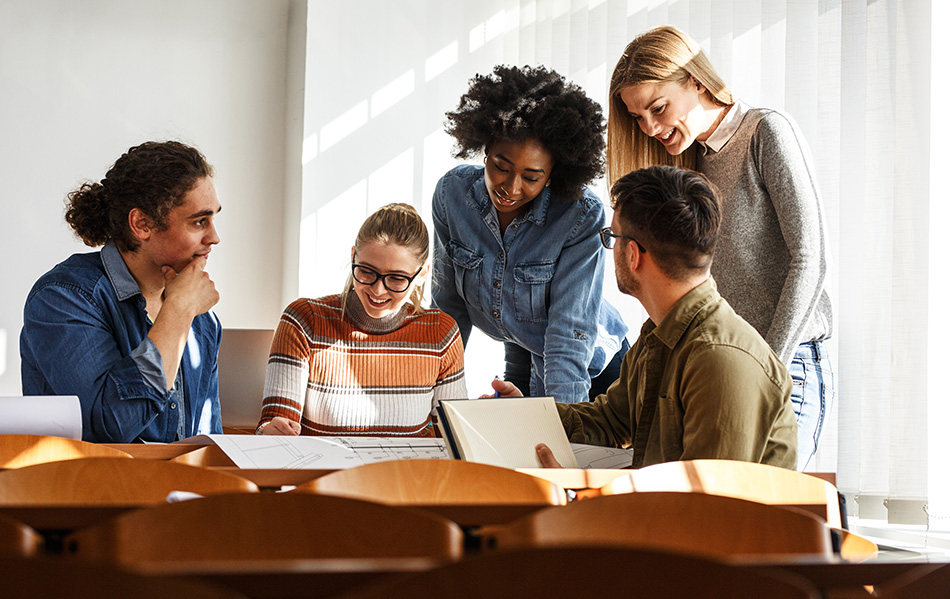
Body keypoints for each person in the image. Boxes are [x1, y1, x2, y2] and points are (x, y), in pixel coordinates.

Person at [605, 25, 833, 470]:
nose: (649, 127)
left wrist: (767, 366)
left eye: (657, 107)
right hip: (717, 367)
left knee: (747, 512)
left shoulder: (766, 132)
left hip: (786, 361)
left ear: (695, 80)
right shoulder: (688, 161)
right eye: (637, 117)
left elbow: (811, 259)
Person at [493, 166, 798, 470]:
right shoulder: (660, 335)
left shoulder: (719, 360)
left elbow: (706, 508)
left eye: (611, 237)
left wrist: (579, 496)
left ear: (633, 254)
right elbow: (611, 421)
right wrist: (528, 416)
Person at [432, 64, 629, 405]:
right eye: (500, 166)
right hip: (522, 350)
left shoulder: (580, 216)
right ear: (485, 149)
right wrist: (436, 398)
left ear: (554, 174)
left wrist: (566, 428)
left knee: (557, 450)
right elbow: (448, 310)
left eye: (532, 176)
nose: (510, 187)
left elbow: (567, 336)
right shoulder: (453, 195)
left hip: (591, 371)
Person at [20, 141, 222, 443]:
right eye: (199, 221)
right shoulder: (64, 297)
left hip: (178, 489)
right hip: (89, 488)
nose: (214, 237)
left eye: (213, 219)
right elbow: (112, 427)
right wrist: (178, 313)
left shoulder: (203, 321)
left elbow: (206, 442)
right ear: (142, 224)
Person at [257, 203, 466, 437]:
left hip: (409, 474)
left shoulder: (441, 334)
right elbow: (273, 426)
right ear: (353, 256)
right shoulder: (305, 321)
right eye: (366, 271)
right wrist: (270, 433)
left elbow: (453, 440)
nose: (377, 289)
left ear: (422, 274)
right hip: (325, 473)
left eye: (396, 278)